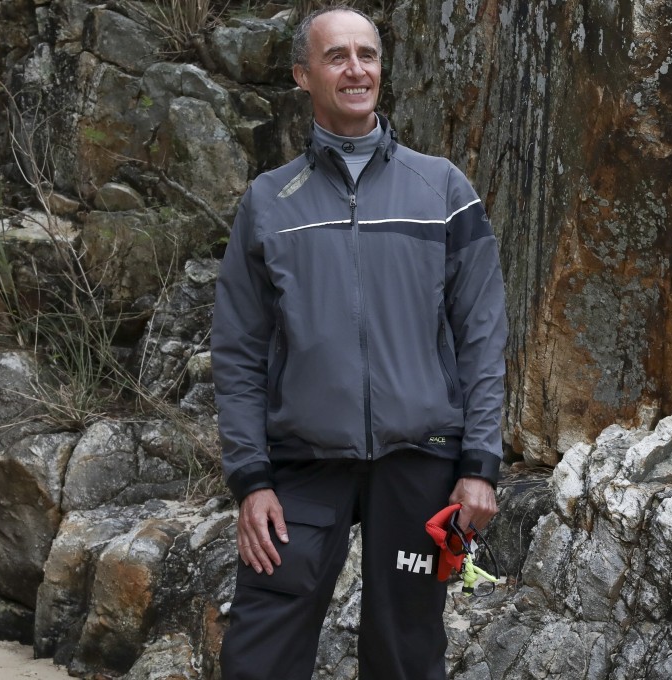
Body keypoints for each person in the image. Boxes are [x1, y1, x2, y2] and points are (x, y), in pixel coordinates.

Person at [211, 6, 507, 679]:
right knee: (258, 656)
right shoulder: (268, 201)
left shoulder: (444, 191)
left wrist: (479, 464)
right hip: (300, 466)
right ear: (303, 75)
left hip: (423, 463)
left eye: (367, 55)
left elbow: (482, 335)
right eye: (337, 56)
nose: (355, 69)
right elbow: (237, 350)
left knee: (407, 653)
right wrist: (250, 479)